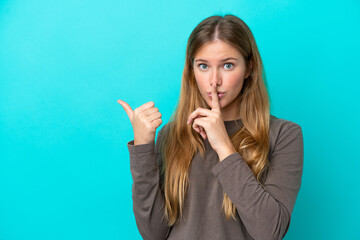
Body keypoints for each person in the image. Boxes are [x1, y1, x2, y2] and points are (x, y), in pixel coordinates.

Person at [118, 14, 304, 240]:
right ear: (192, 70)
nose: (214, 80)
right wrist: (143, 147)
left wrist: (224, 146)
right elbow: (153, 234)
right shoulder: (171, 135)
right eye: (203, 66)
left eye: (227, 65)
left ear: (249, 69)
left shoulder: (284, 135)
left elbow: (270, 232)